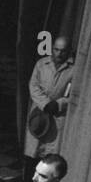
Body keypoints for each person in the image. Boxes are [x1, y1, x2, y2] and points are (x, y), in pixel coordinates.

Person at [25, 35, 75, 171]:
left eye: (63, 50)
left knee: (51, 152)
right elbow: (33, 86)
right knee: (34, 148)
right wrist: (45, 103)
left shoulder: (74, 69)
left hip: (58, 115)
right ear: (52, 49)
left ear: (69, 51)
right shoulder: (42, 64)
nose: (59, 53)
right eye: (56, 49)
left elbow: (76, 94)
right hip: (39, 112)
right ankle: (29, 179)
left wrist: (59, 104)